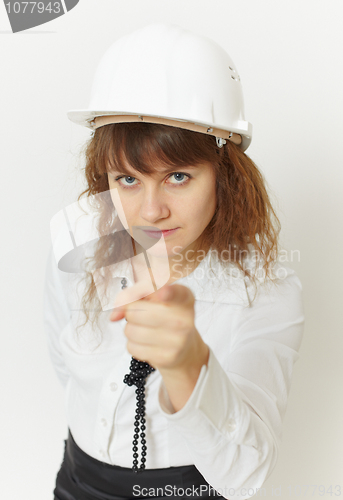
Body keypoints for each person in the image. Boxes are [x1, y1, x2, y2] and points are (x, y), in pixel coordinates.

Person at [43, 23, 305, 500]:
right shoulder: (77, 246)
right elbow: (63, 360)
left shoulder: (266, 290)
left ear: (226, 175)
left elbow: (246, 475)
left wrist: (189, 364)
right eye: (126, 179)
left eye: (178, 176)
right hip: (74, 480)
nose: (150, 211)